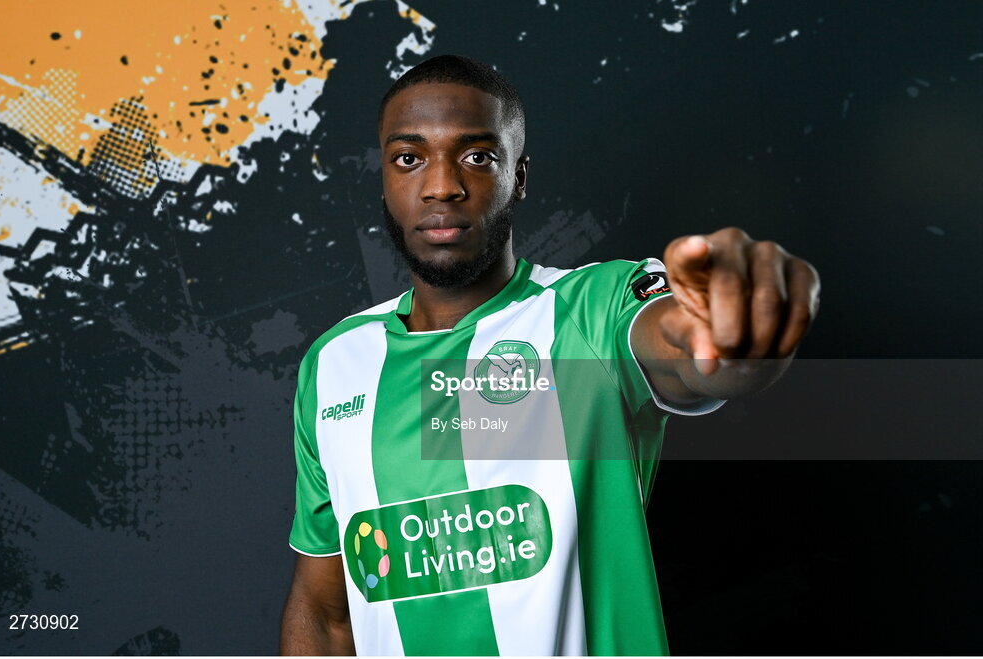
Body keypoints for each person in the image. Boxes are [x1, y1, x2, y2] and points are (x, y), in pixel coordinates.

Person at [279, 54, 819, 656]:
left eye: (478, 157)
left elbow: (681, 343)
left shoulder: (589, 310)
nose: (441, 185)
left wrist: (726, 334)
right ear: (384, 177)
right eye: (409, 159)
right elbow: (326, 615)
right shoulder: (335, 363)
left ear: (520, 176)